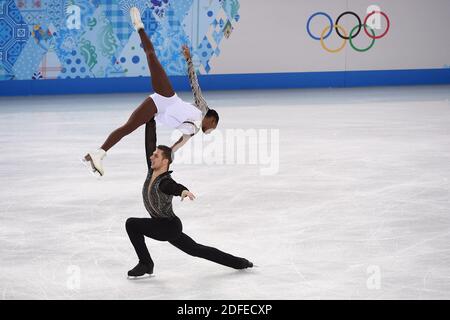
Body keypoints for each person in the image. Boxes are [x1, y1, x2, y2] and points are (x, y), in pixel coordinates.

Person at [83, 7, 219, 176]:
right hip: (167, 97)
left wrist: (170, 152)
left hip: (158, 111)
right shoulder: (202, 108)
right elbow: (194, 83)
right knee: (151, 57)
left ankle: (99, 153)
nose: (212, 130)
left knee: (128, 127)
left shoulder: (193, 131)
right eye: (214, 126)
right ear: (212, 120)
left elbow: (179, 144)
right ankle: (139, 26)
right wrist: (189, 59)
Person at [125, 118, 253, 277]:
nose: (152, 157)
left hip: (167, 227)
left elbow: (174, 187)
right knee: (196, 249)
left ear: (165, 161)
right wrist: (149, 118)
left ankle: (146, 263)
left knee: (132, 224)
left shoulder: (164, 182)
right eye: (152, 155)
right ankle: (240, 262)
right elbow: (150, 142)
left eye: (156, 156)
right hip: (165, 225)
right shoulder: (151, 170)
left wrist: (183, 191)